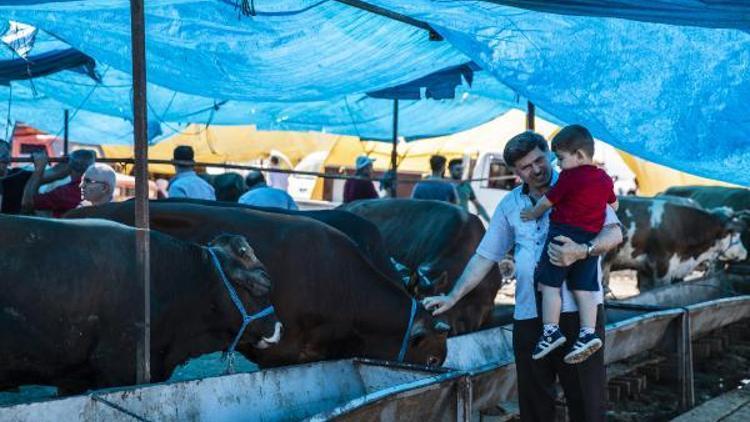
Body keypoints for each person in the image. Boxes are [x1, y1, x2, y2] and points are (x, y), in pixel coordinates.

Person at [422, 131, 623, 422]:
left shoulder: (581, 181)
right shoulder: (510, 205)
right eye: (526, 167)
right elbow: (485, 256)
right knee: (534, 404)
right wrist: (453, 295)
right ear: (515, 173)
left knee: (587, 405)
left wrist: (583, 250)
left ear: (549, 154)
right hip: (529, 317)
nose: (537, 169)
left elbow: (614, 232)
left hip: (580, 316)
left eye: (540, 160)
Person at [520, 125, 618, 364]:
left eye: (561, 158)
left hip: (561, 236)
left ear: (580, 156)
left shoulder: (569, 177)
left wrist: (532, 213)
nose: (559, 164)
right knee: (585, 289)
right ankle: (588, 333)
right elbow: (613, 207)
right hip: (589, 240)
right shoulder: (604, 179)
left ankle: (551, 331)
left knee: (549, 285)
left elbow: (547, 202)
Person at [21, 149, 96, 217]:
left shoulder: (65, 193)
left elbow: (27, 204)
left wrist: (39, 169)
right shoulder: (103, 187)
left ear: (70, 167)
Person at [0, 140, 69, 214]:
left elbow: (56, 172)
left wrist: (71, 160)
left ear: (9, 159)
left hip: (19, 223)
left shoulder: (19, 175)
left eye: (3, 155)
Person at [448, 158, 490, 222]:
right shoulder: (445, 185)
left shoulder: (466, 185)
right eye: (458, 170)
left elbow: (477, 205)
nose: (461, 172)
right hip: (449, 221)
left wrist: (489, 221)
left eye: (462, 169)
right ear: (450, 170)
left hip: (464, 222)